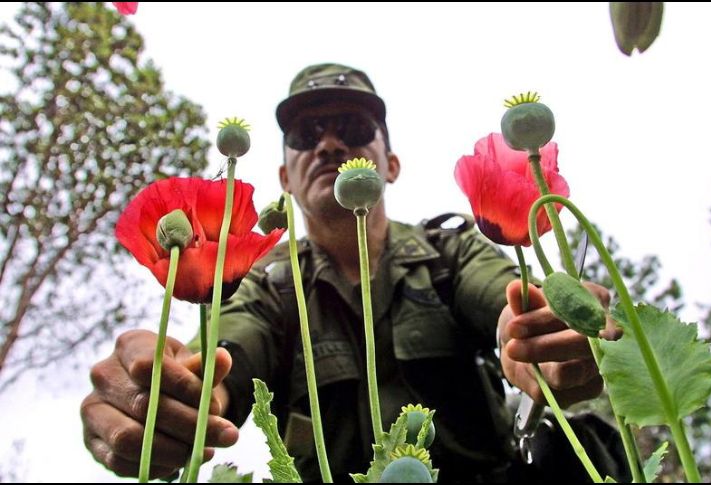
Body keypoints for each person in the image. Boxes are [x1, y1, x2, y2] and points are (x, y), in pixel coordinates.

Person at [81, 63, 630, 483]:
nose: (330, 143)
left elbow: (503, 297)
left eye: (354, 126)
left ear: (389, 164)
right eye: (306, 134)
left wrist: (542, 336)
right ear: (285, 177)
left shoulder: (449, 250)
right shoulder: (268, 283)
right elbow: (228, 352)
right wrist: (177, 395)